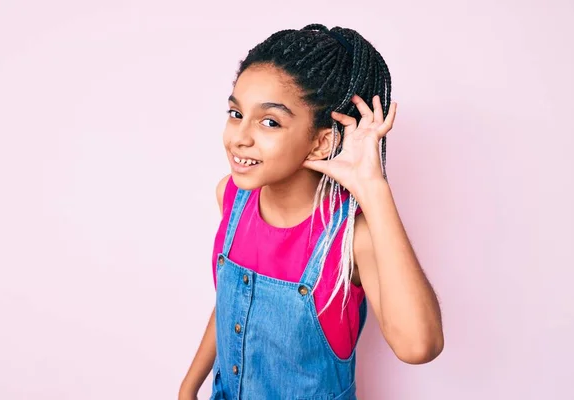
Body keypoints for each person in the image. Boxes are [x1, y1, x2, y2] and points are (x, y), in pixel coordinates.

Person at [179, 23, 444, 400]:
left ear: (321, 143)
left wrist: (373, 187)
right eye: (236, 113)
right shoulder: (231, 197)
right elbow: (232, 308)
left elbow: (419, 346)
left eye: (269, 121)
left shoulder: (353, 237)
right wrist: (189, 387)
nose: (240, 136)